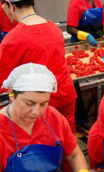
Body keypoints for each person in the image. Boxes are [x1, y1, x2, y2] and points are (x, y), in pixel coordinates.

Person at [0, 0, 77, 134]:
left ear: (10, 6)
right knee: (66, 144)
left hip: (35, 106)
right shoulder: (54, 28)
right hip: (64, 96)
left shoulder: (13, 39)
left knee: (40, 148)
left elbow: (4, 80)